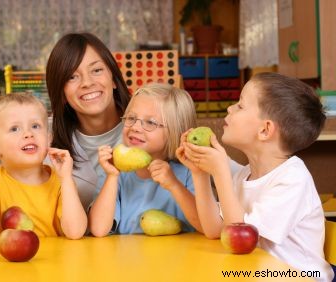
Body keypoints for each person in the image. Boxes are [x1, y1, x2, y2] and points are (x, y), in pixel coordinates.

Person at [0, 32, 131, 227]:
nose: (87, 83)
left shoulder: (146, 127)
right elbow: (11, 164)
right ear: (61, 92)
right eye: (72, 76)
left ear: (113, 78)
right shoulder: (42, 131)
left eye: (96, 70)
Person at [177, 72, 333, 282]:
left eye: (240, 106)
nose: (230, 108)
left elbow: (242, 242)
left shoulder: (293, 179)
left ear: (265, 130)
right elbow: (214, 230)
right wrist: (200, 174)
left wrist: (221, 172)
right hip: (256, 273)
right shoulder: (245, 175)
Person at [0, 93, 87, 241]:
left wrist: (67, 179)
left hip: (51, 263)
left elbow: (75, 232)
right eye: (15, 129)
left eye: (35, 126)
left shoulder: (61, 181)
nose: (28, 134)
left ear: (48, 139)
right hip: (2, 263)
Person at [88, 83, 203, 237]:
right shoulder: (114, 173)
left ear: (175, 131)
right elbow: (98, 229)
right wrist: (112, 176)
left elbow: (205, 225)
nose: (135, 127)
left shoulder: (191, 172)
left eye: (150, 122)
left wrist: (174, 185)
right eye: (131, 118)